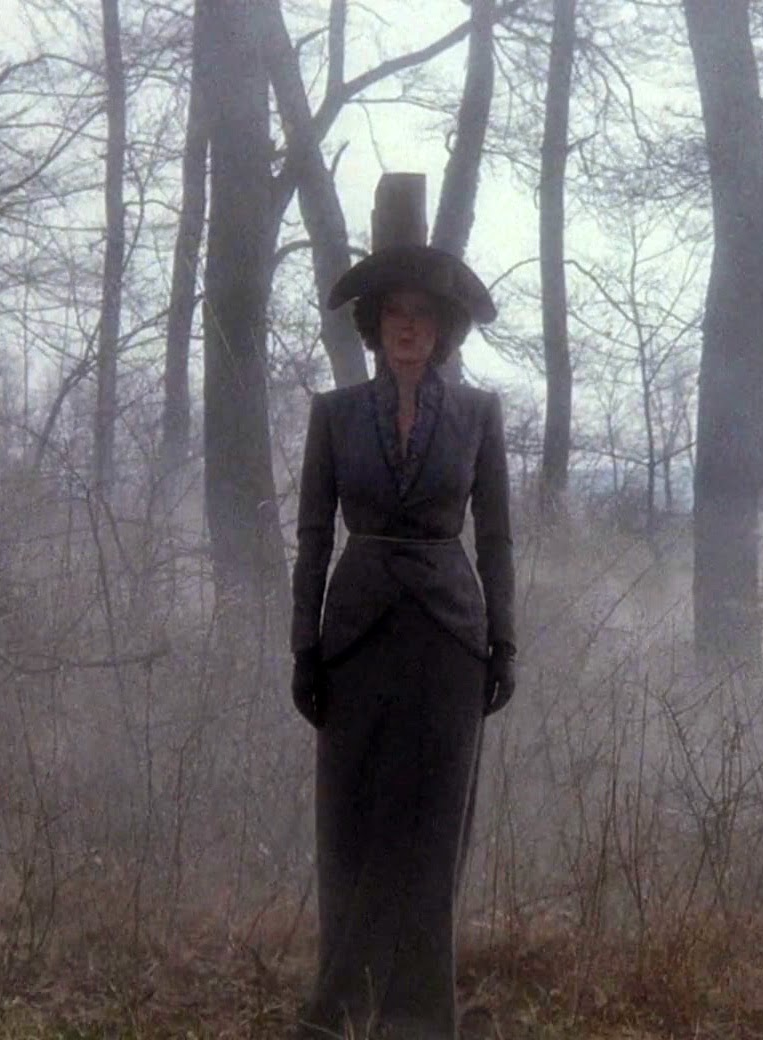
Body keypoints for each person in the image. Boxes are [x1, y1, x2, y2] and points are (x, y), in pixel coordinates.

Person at [290, 242, 517, 1039]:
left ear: (443, 328)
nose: (407, 327)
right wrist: (303, 647)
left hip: (451, 638)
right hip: (356, 635)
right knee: (350, 823)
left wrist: (505, 643)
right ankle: (342, 1009)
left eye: (422, 315)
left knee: (434, 825)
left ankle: (420, 1017)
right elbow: (313, 537)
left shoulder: (479, 415)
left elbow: (496, 537)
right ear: (374, 324)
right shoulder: (336, 414)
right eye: (394, 313)